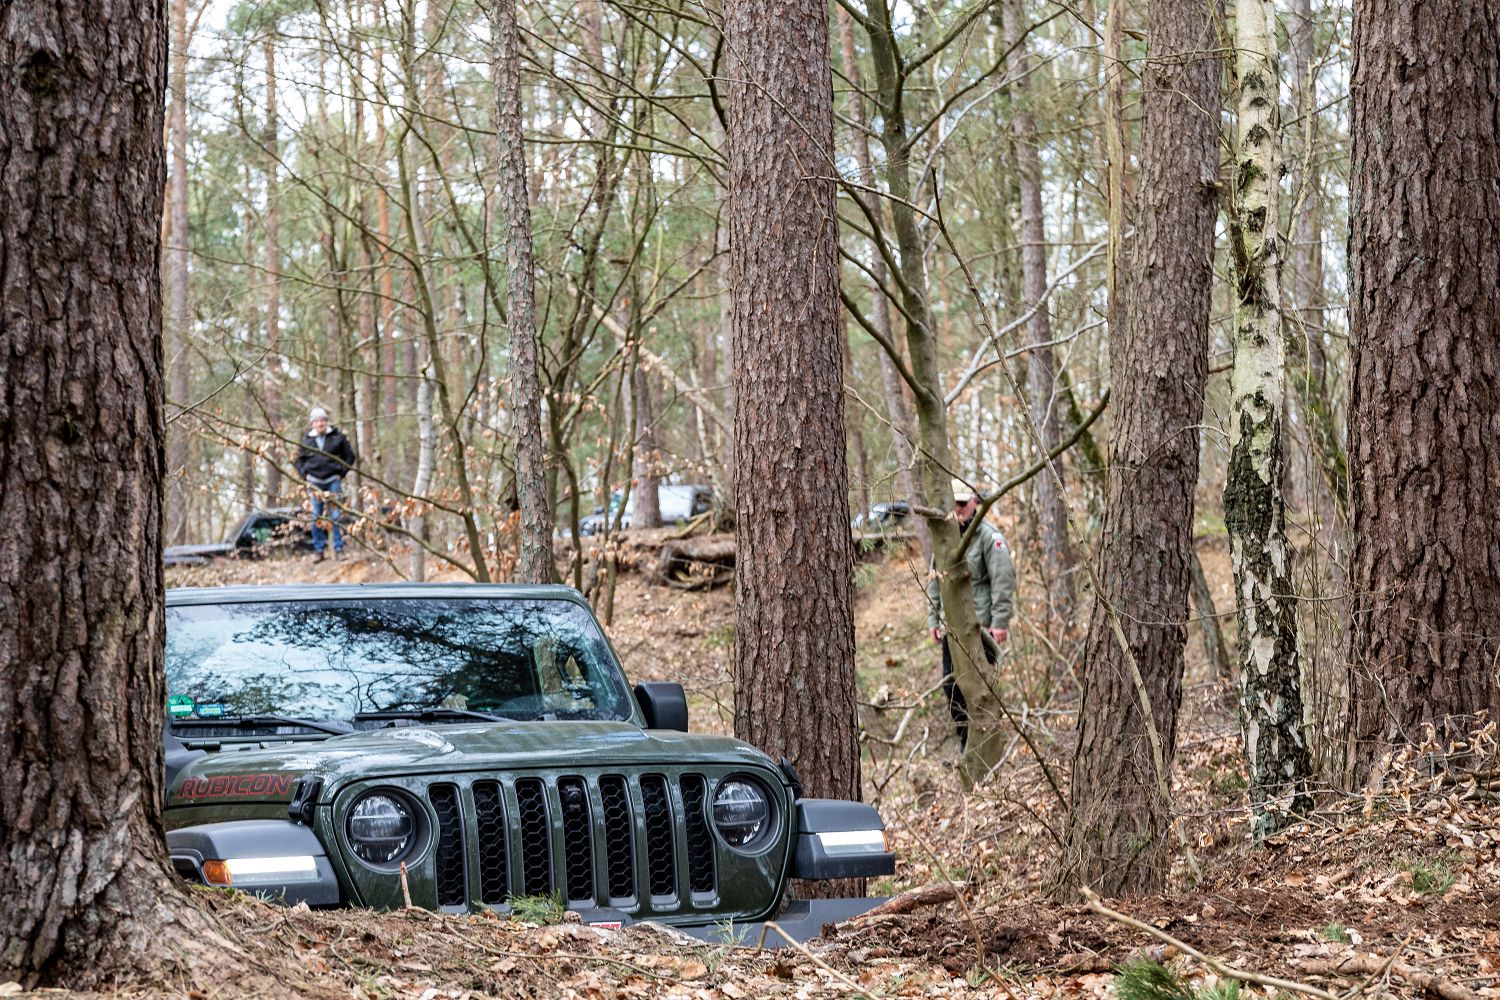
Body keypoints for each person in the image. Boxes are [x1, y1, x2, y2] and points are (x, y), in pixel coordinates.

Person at [927, 478, 1015, 749]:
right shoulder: (945, 536)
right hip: (952, 628)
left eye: (963, 503)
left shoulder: (989, 537)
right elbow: (934, 579)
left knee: (979, 689)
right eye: (953, 503)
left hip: (981, 629)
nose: (958, 508)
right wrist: (934, 618)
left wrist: (999, 623)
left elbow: (1003, 581)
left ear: (974, 502)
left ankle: (985, 747)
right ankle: (967, 742)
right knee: (951, 687)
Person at [294, 406, 358, 561]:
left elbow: (350, 457)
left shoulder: (338, 437)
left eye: (322, 420)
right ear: (312, 424)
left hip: (332, 481)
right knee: (316, 516)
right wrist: (305, 476)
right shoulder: (306, 439)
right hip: (314, 482)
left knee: (336, 516)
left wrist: (340, 472)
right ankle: (319, 550)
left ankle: (339, 549)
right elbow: (298, 460)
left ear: (326, 422)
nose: (320, 424)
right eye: (317, 421)